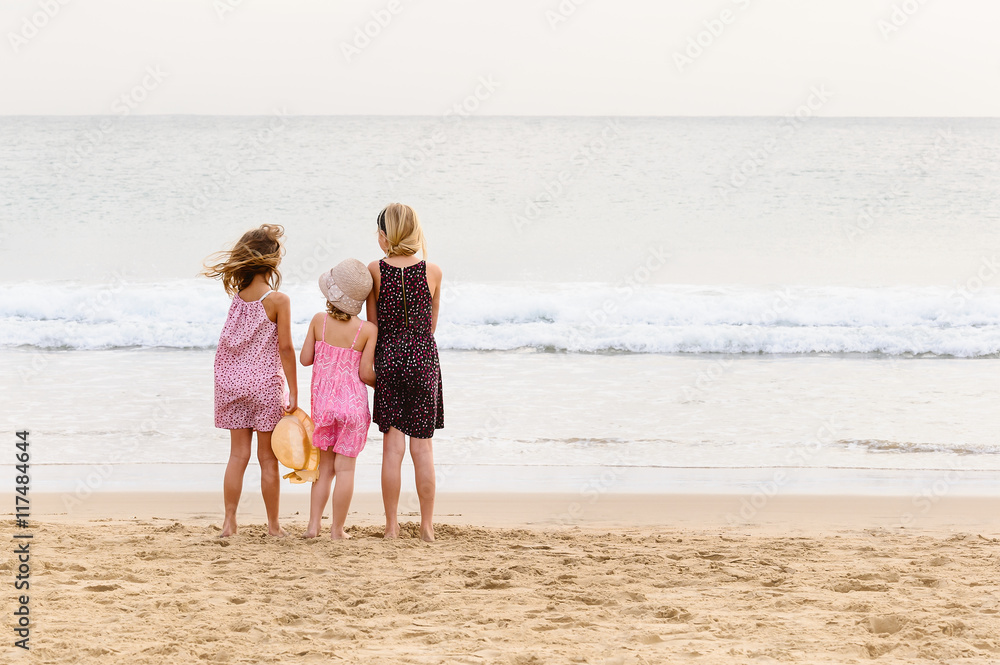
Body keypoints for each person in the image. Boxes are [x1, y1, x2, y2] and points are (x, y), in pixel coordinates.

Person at [203, 224, 297, 538]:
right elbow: (285, 348)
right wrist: (294, 391)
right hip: (264, 387)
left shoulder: (237, 297)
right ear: (272, 262)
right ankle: (273, 527)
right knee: (267, 459)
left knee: (237, 456)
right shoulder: (278, 301)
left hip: (231, 385)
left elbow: (229, 343)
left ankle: (229, 522)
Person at [366, 203, 444, 542]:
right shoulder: (433, 271)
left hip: (390, 359)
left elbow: (373, 324)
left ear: (385, 236)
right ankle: (426, 527)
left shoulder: (376, 270)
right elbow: (432, 325)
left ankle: (392, 527)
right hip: (424, 359)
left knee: (392, 451)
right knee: (423, 451)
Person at [299, 259, 377, 539]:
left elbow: (305, 359)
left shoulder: (319, 322)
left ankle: (312, 526)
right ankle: (337, 530)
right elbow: (366, 374)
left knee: (324, 469)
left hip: (324, 407)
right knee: (346, 471)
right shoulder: (367, 330)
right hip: (354, 408)